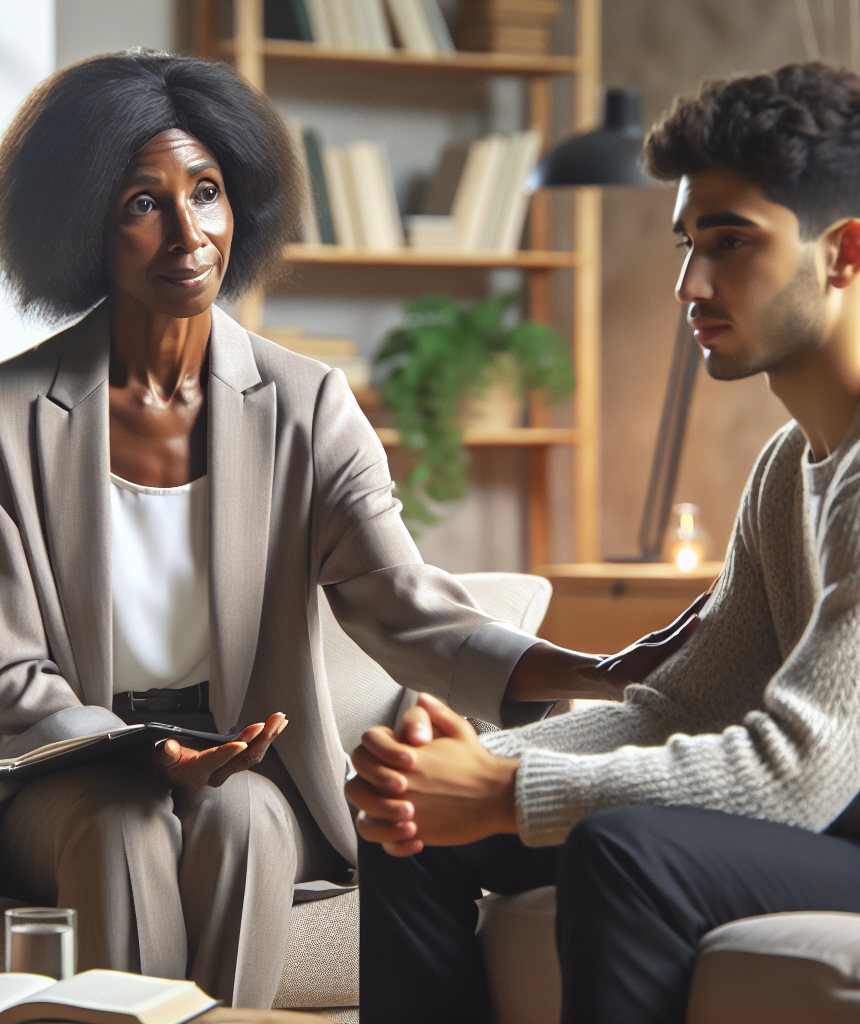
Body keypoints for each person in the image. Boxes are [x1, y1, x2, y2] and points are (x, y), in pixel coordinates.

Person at [0, 50, 631, 1009]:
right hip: (69, 775)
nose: (188, 231)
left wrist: (600, 670)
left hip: (246, 761)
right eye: (143, 201)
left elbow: (406, 606)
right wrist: (141, 753)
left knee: (250, 820)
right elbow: (9, 677)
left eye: (207, 192)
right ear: (82, 218)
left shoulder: (309, 405)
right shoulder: (3, 414)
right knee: (126, 821)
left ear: (240, 205)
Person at [348, 61, 860, 1024]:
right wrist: (464, 770)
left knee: (622, 849)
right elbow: (678, 707)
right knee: (408, 823)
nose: (688, 283)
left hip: (835, 816)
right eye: (686, 243)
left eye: (731, 242)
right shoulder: (788, 465)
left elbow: (798, 768)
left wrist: (507, 790)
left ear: (844, 253)